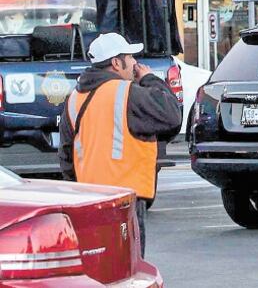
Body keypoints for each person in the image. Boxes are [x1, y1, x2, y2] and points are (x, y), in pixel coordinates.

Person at [58, 33, 181, 256]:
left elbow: (66, 156)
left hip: (89, 201)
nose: (134, 62)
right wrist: (151, 79)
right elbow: (172, 116)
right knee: (127, 265)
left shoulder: (74, 98)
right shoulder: (128, 94)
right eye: (130, 57)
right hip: (125, 201)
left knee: (100, 267)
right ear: (116, 62)